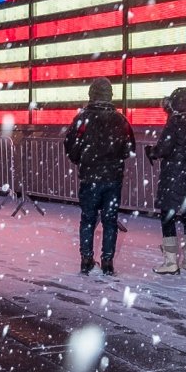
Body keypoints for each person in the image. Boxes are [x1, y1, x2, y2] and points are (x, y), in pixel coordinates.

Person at [63, 77, 135, 276]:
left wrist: (81, 159)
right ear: (110, 95)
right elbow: (130, 147)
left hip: (90, 176)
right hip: (113, 178)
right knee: (110, 220)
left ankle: (86, 259)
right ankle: (108, 262)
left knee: (88, 219)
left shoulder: (83, 118)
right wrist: (115, 157)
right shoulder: (120, 119)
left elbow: (70, 143)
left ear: (91, 94)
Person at [146, 87, 186, 275]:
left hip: (174, 175)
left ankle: (170, 261)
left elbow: (164, 147)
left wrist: (153, 151)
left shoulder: (175, 122)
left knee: (168, 216)